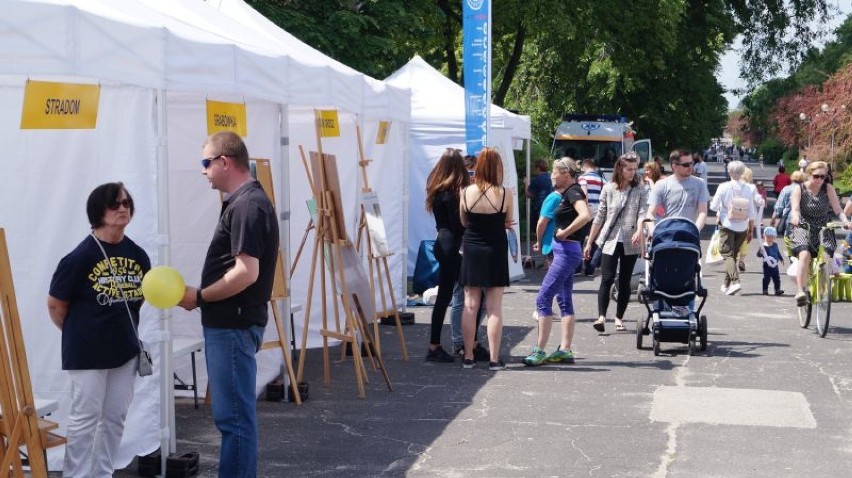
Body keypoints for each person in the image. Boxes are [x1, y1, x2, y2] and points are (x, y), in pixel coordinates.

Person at [179, 131, 279, 478]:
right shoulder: (244, 202)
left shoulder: (247, 204)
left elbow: (246, 272)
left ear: (225, 162)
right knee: (233, 419)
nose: (204, 171)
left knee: (234, 420)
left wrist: (201, 297)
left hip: (233, 326)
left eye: (206, 162)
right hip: (231, 325)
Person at [47, 182, 151, 478]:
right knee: (84, 418)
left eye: (127, 203)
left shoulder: (139, 255)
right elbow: (56, 305)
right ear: (97, 211)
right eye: (114, 204)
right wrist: (82, 334)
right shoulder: (79, 258)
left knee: (116, 418)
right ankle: (76, 475)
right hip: (88, 352)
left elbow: (139, 301)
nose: (123, 208)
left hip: (125, 350)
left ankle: (103, 473)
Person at [523, 158, 590, 366]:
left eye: (555, 172)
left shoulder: (572, 191)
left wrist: (565, 232)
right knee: (564, 299)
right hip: (566, 250)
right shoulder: (568, 192)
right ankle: (565, 349)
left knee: (543, 299)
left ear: (566, 174)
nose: (552, 176)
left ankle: (540, 350)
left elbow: (586, 215)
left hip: (566, 251)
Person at [459, 147, 513, 370]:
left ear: (479, 167)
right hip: (495, 248)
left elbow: (464, 221)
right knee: (494, 308)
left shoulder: (465, 192)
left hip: (472, 247)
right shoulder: (505, 193)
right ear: (498, 167)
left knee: (470, 304)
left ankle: (468, 356)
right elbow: (509, 221)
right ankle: (493, 358)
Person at [583, 152, 648, 333]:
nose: (632, 172)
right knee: (607, 278)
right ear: (620, 168)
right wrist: (590, 242)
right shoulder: (609, 188)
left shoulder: (640, 188)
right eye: (629, 169)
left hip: (631, 239)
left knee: (625, 280)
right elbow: (600, 216)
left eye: (635, 169)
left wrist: (639, 229)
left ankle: (619, 317)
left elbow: (643, 212)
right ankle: (601, 317)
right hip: (610, 238)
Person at [424, 148, 468, 362]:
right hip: (453, 245)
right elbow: (458, 224)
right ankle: (464, 343)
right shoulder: (453, 194)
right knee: (467, 293)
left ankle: (436, 345)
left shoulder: (436, 189)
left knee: (446, 296)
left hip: (442, 241)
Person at [788, 160, 849, 306]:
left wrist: (846, 221)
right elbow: (795, 209)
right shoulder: (800, 189)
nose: (819, 180)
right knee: (805, 254)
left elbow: (838, 210)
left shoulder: (828, 188)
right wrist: (795, 218)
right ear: (809, 175)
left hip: (824, 228)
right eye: (816, 176)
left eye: (823, 176)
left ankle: (822, 288)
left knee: (827, 257)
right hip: (804, 227)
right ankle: (801, 291)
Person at [710, 160, 756, 295]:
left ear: (729, 172)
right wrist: (750, 230)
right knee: (733, 255)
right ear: (742, 172)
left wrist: (721, 208)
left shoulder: (723, 187)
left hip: (727, 224)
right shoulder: (748, 188)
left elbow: (713, 206)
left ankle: (735, 282)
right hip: (742, 226)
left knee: (726, 254)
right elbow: (751, 212)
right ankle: (726, 284)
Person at [647, 149, 709, 230]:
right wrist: (653, 231)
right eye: (686, 165)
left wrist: (695, 230)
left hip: (690, 235)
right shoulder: (661, 184)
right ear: (674, 166)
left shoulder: (700, 183)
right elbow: (650, 213)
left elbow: (703, 212)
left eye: (691, 163)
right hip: (667, 235)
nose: (690, 167)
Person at [578, 158, 605, 274]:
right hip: (598, 212)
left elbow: (584, 194)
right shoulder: (602, 180)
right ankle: (590, 268)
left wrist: (585, 210)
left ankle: (577, 268)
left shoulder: (582, 178)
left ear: (585, 166)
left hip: (585, 211)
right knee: (593, 240)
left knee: (578, 240)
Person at [770, 170, 806, 237]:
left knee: (790, 242)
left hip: (790, 219)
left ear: (792, 178)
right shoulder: (807, 190)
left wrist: (773, 218)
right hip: (804, 219)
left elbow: (779, 206)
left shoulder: (787, 189)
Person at [526, 158, 553, 235]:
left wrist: (526, 184)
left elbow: (528, 194)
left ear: (538, 168)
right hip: (552, 206)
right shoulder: (552, 177)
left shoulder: (536, 179)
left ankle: (539, 244)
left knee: (540, 229)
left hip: (540, 207)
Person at [756, 226, 784, 295]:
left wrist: (781, 258)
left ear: (774, 237)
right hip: (767, 266)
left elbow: (777, 252)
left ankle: (777, 290)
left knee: (777, 279)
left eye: (772, 237)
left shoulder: (775, 245)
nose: (770, 238)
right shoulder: (763, 246)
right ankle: (765, 289)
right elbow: (758, 255)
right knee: (766, 278)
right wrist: (760, 252)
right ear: (764, 236)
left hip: (775, 266)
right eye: (768, 237)